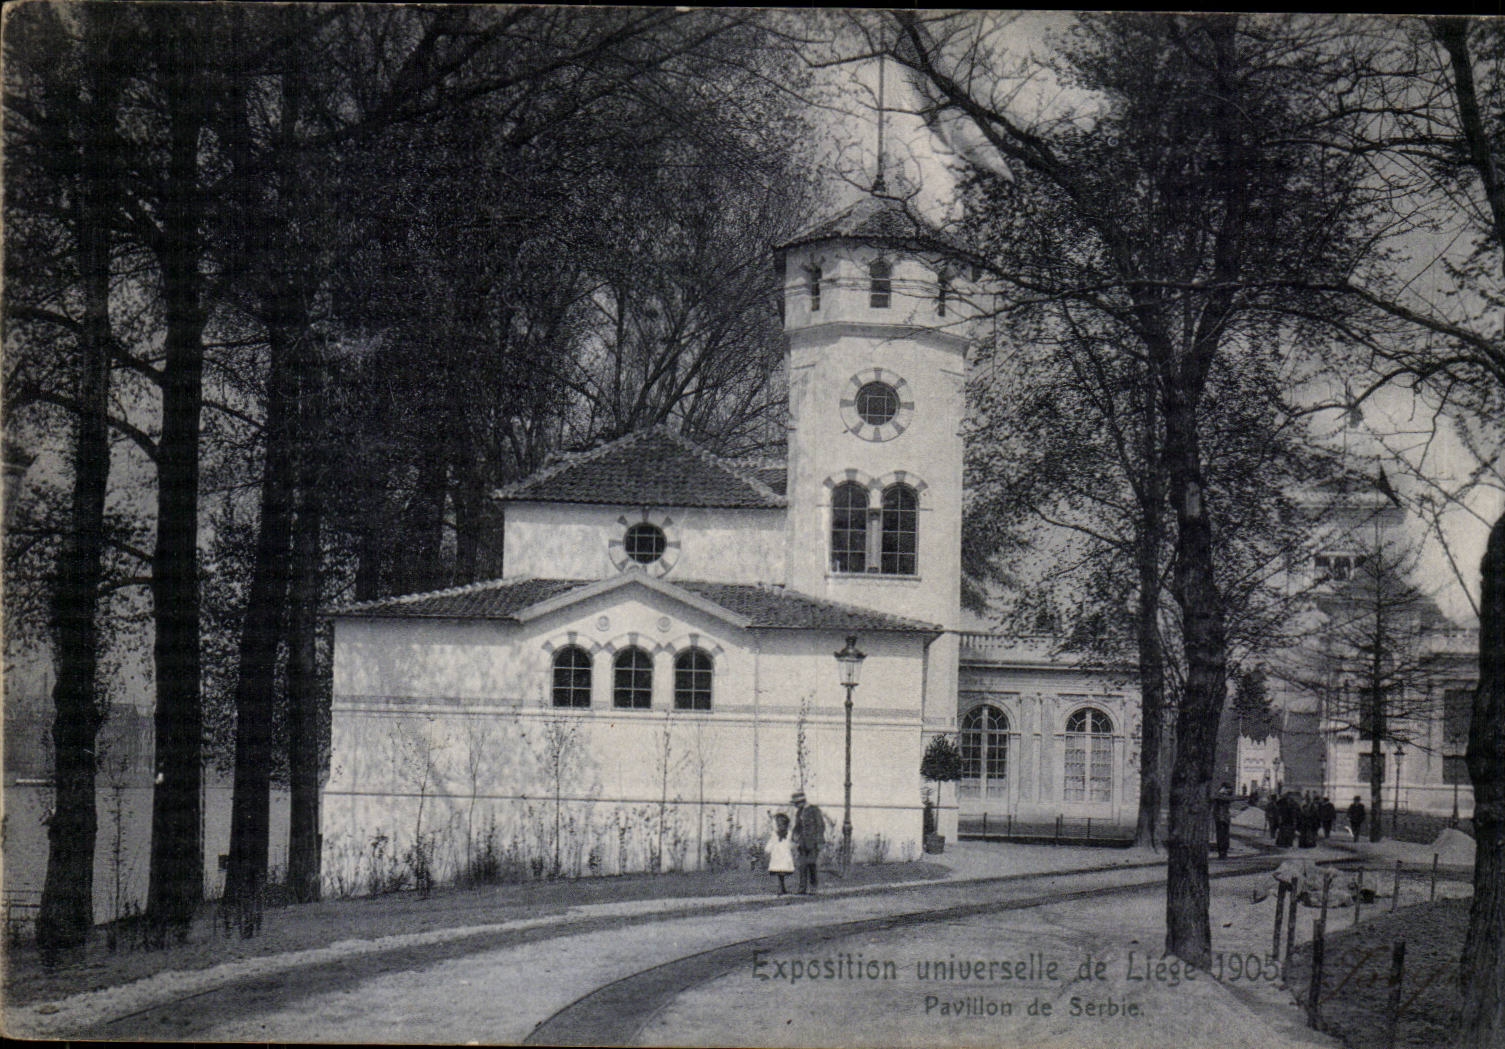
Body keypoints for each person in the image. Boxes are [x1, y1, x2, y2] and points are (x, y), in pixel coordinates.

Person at [791, 790, 825, 894]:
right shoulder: (799, 812)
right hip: (802, 844)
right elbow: (797, 826)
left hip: (813, 843)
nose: (796, 806)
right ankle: (802, 888)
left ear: (801, 801)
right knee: (802, 866)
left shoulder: (814, 810)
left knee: (811, 864)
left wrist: (819, 842)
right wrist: (794, 836)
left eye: (796, 803)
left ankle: (813, 887)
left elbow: (820, 826)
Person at [765, 812, 795, 894]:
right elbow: (772, 841)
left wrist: (791, 846)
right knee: (779, 871)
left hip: (784, 854)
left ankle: (782, 887)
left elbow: (790, 842)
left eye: (782, 824)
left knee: (783, 870)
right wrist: (768, 849)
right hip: (777, 854)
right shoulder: (775, 833)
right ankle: (781, 887)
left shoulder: (788, 833)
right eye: (778, 823)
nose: (780, 825)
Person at [1212, 783, 1233, 859]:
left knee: (1225, 836)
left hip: (1224, 818)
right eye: (1229, 789)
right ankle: (1222, 853)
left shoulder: (1224, 796)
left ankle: (1223, 853)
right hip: (1221, 819)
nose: (1230, 790)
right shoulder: (1219, 796)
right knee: (1222, 836)